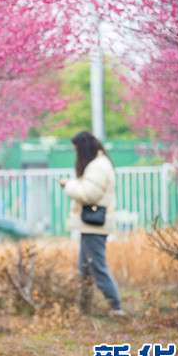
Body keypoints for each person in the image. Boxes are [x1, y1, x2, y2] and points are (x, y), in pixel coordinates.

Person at [59, 131, 124, 316]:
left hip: (94, 225)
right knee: (85, 269)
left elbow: (89, 194)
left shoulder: (97, 167)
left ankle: (116, 307)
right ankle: (84, 308)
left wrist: (68, 185)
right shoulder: (99, 165)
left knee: (96, 267)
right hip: (91, 225)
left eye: (76, 149)